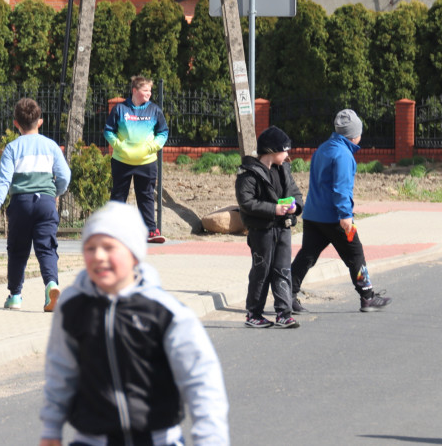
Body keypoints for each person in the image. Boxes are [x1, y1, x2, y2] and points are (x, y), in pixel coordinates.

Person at [39, 201, 229, 446]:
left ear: (133, 254)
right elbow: (60, 371)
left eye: (109, 247)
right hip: (92, 440)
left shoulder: (165, 312)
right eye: (90, 247)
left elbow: (201, 379)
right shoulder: (72, 307)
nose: (98, 256)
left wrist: (210, 439)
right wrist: (51, 428)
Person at [291, 109, 392, 312]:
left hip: (313, 214)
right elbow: (341, 188)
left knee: (307, 255)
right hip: (334, 217)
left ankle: (287, 294)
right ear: (354, 134)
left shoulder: (323, 148)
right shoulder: (344, 155)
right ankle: (367, 297)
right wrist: (345, 216)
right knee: (355, 254)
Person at [0, 97, 71, 312]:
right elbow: (64, 175)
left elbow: (4, 178)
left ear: (16, 123)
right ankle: (52, 285)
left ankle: (15, 295)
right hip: (45, 201)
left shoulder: (12, 148)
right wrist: (56, 191)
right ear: (40, 122)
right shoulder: (51, 146)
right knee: (46, 247)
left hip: (21, 202)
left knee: (17, 249)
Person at [235, 125, 303, 329]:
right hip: (261, 230)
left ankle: (284, 313)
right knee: (261, 270)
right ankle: (254, 313)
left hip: (283, 228)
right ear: (272, 151)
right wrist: (274, 209)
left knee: (283, 269)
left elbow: (295, 193)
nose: (288, 155)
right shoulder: (248, 173)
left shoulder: (284, 170)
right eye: (285, 150)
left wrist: (294, 207)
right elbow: (246, 202)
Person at [103, 75, 169, 244]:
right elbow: (108, 131)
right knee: (118, 195)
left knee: (146, 196)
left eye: (150, 90)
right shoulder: (119, 109)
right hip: (121, 161)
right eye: (145, 90)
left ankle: (151, 231)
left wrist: (152, 147)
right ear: (135, 91)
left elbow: (163, 132)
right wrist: (118, 146)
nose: (149, 93)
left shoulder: (154, 110)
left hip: (146, 162)